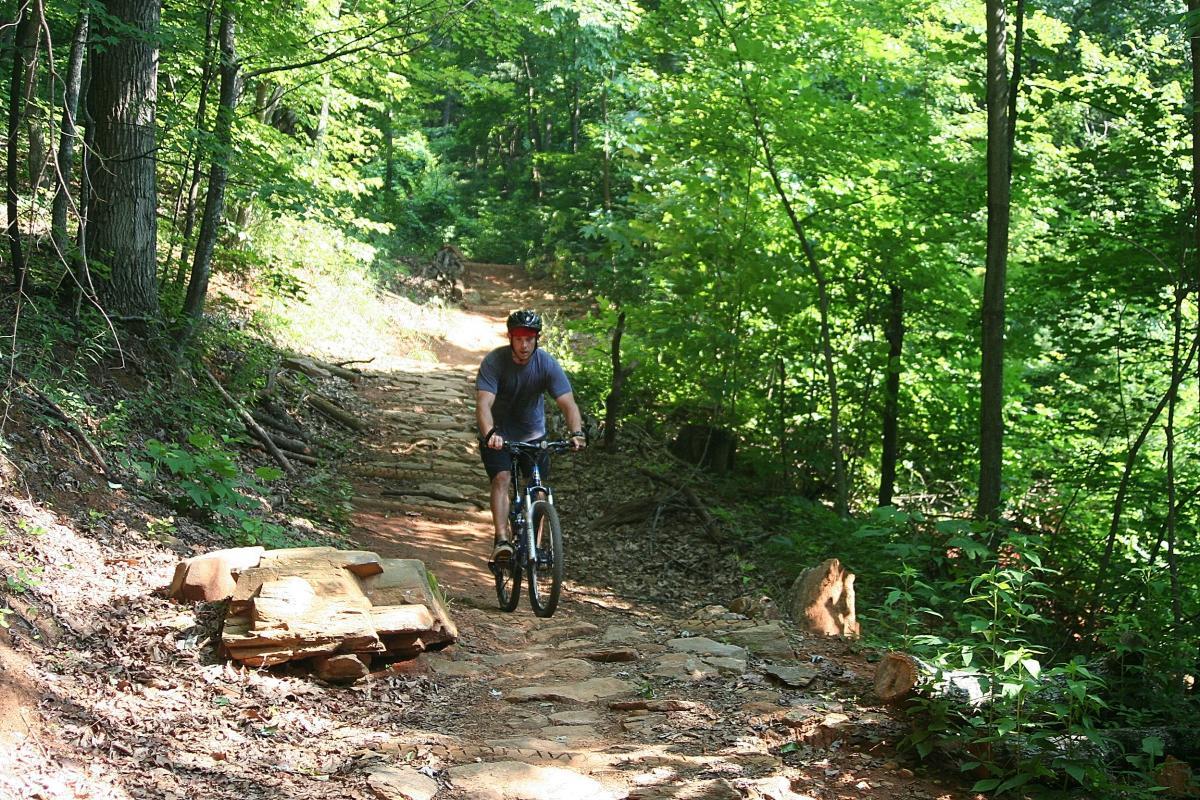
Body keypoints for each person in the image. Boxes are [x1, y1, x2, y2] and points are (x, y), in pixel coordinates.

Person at [475, 309, 585, 563]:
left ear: (537, 339)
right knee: (502, 479)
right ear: (510, 338)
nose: (524, 345)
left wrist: (577, 433)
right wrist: (490, 433)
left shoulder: (546, 364)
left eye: (530, 339)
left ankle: (533, 548)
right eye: (519, 339)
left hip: (534, 436)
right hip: (499, 436)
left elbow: (568, 403)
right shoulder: (495, 362)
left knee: (539, 491)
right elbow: (483, 404)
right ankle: (502, 539)